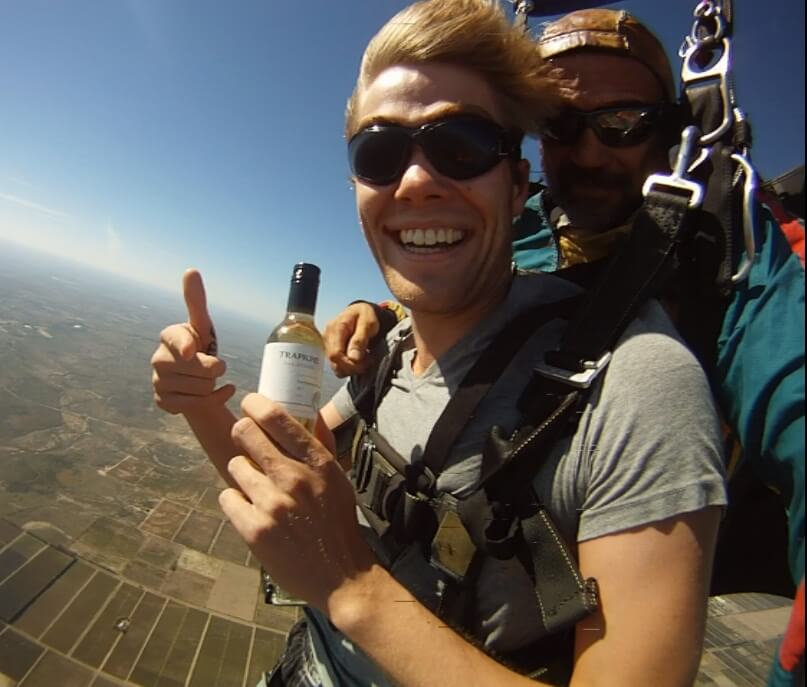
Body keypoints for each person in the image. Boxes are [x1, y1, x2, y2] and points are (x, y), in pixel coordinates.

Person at [151, 1, 726, 684]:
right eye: (380, 152)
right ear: (357, 188)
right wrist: (200, 403)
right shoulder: (387, 348)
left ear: (517, 187)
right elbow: (280, 487)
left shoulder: (634, 387)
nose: (417, 181)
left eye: (462, 146)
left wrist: (355, 586)